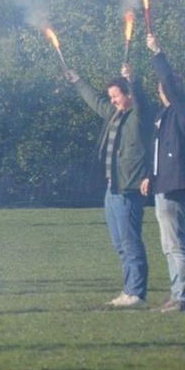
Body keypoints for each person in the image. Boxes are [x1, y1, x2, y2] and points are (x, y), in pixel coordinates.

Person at [66, 61, 152, 308]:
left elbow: (142, 100)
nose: (112, 100)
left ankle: (136, 293)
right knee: (119, 243)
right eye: (111, 97)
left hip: (129, 189)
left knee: (130, 241)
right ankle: (129, 290)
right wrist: (77, 80)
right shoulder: (115, 113)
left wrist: (133, 79)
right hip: (112, 189)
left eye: (116, 96)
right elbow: (95, 101)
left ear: (128, 95)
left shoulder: (139, 116)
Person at [142, 33, 185, 313]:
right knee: (173, 245)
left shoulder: (180, 110)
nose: (161, 90)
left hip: (174, 187)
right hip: (161, 184)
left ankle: (180, 296)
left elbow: (169, 80)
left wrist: (157, 52)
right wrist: (149, 175)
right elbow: (156, 151)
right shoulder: (163, 115)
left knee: (174, 246)